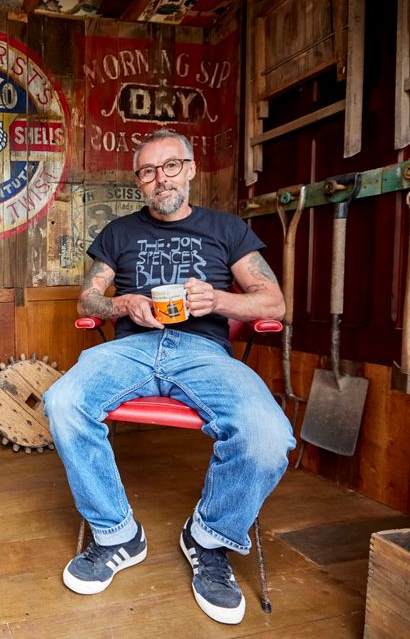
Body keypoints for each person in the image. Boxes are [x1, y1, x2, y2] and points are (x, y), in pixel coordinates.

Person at [43, 129, 295, 625]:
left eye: (171, 166)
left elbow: (274, 302)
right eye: (148, 171)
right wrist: (122, 302)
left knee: (268, 435)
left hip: (204, 351)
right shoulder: (118, 233)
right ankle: (117, 535)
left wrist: (218, 300)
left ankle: (208, 539)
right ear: (139, 181)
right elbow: (87, 300)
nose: (161, 179)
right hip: (131, 348)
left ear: (191, 169)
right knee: (64, 400)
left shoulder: (228, 230)